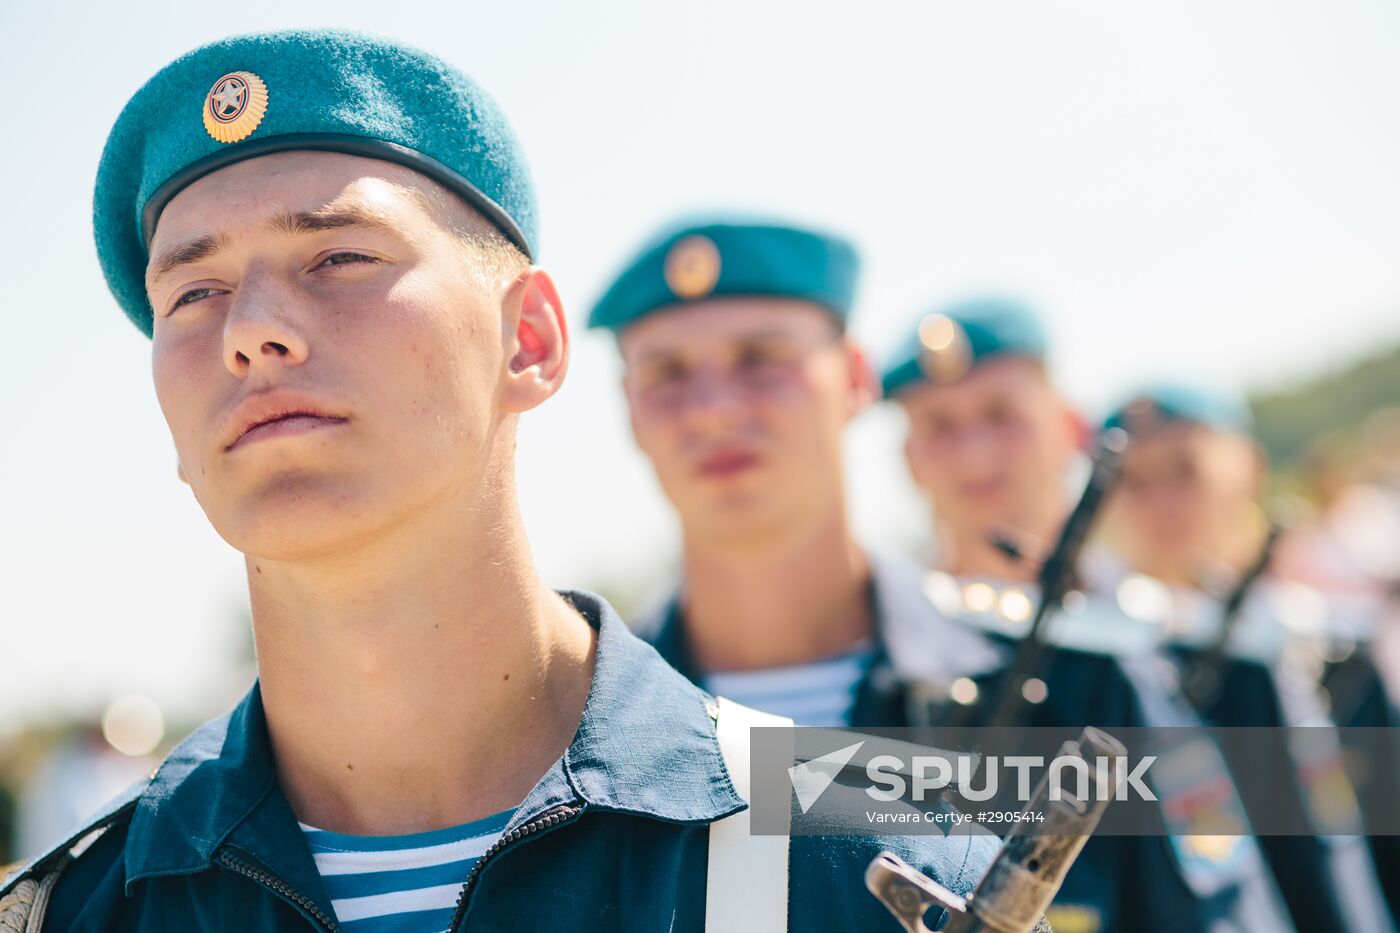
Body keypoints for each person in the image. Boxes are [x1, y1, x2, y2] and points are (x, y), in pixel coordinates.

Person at [0, 30, 1000, 932]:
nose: (250, 332)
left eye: (339, 256)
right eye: (193, 293)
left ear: (526, 340)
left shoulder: (887, 858)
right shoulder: (80, 910)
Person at [878, 298, 1294, 932]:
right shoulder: (883, 661)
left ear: (1069, 428)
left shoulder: (1150, 647)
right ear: (907, 459)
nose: (974, 454)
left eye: (1001, 415)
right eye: (938, 426)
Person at [586, 217, 999, 729]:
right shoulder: (575, 728)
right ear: (629, 410)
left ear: (854, 378)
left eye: (760, 358)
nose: (714, 410)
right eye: (668, 373)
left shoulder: (1059, 685)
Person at [1100, 384, 1396, 932]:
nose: (1160, 502)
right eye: (1133, 482)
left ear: (1248, 468)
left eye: (1185, 471)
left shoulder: (1329, 648)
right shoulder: (1105, 675)